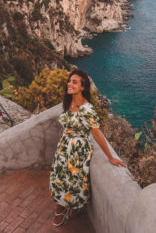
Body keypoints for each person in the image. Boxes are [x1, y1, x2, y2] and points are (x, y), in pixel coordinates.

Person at [49, 69, 126, 226]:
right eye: (69, 81)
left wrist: (110, 157)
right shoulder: (69, 101)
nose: (69, 84)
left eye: (74, 82)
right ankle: (64, 209)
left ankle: (63, 210)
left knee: (71, 183)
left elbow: (96, 133)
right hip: (64, 148)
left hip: (77, 151)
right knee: (59, 180)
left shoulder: (86, 108)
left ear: (82, 87)